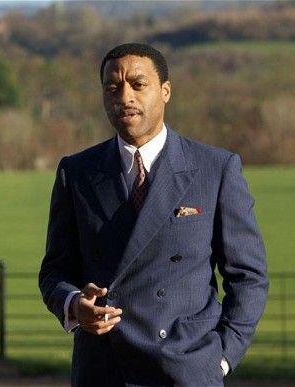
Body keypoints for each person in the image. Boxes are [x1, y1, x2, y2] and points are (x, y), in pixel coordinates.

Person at [39, 43, 268, 386]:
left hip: (185, 371)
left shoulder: (215, 168)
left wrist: (220, 358)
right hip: (103, 370)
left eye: (138, 84)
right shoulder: (77, 172)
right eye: (112, 87)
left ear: (165, 91)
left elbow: (248, 276)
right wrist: (73, 305)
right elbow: (55, 270)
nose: (124, 96)